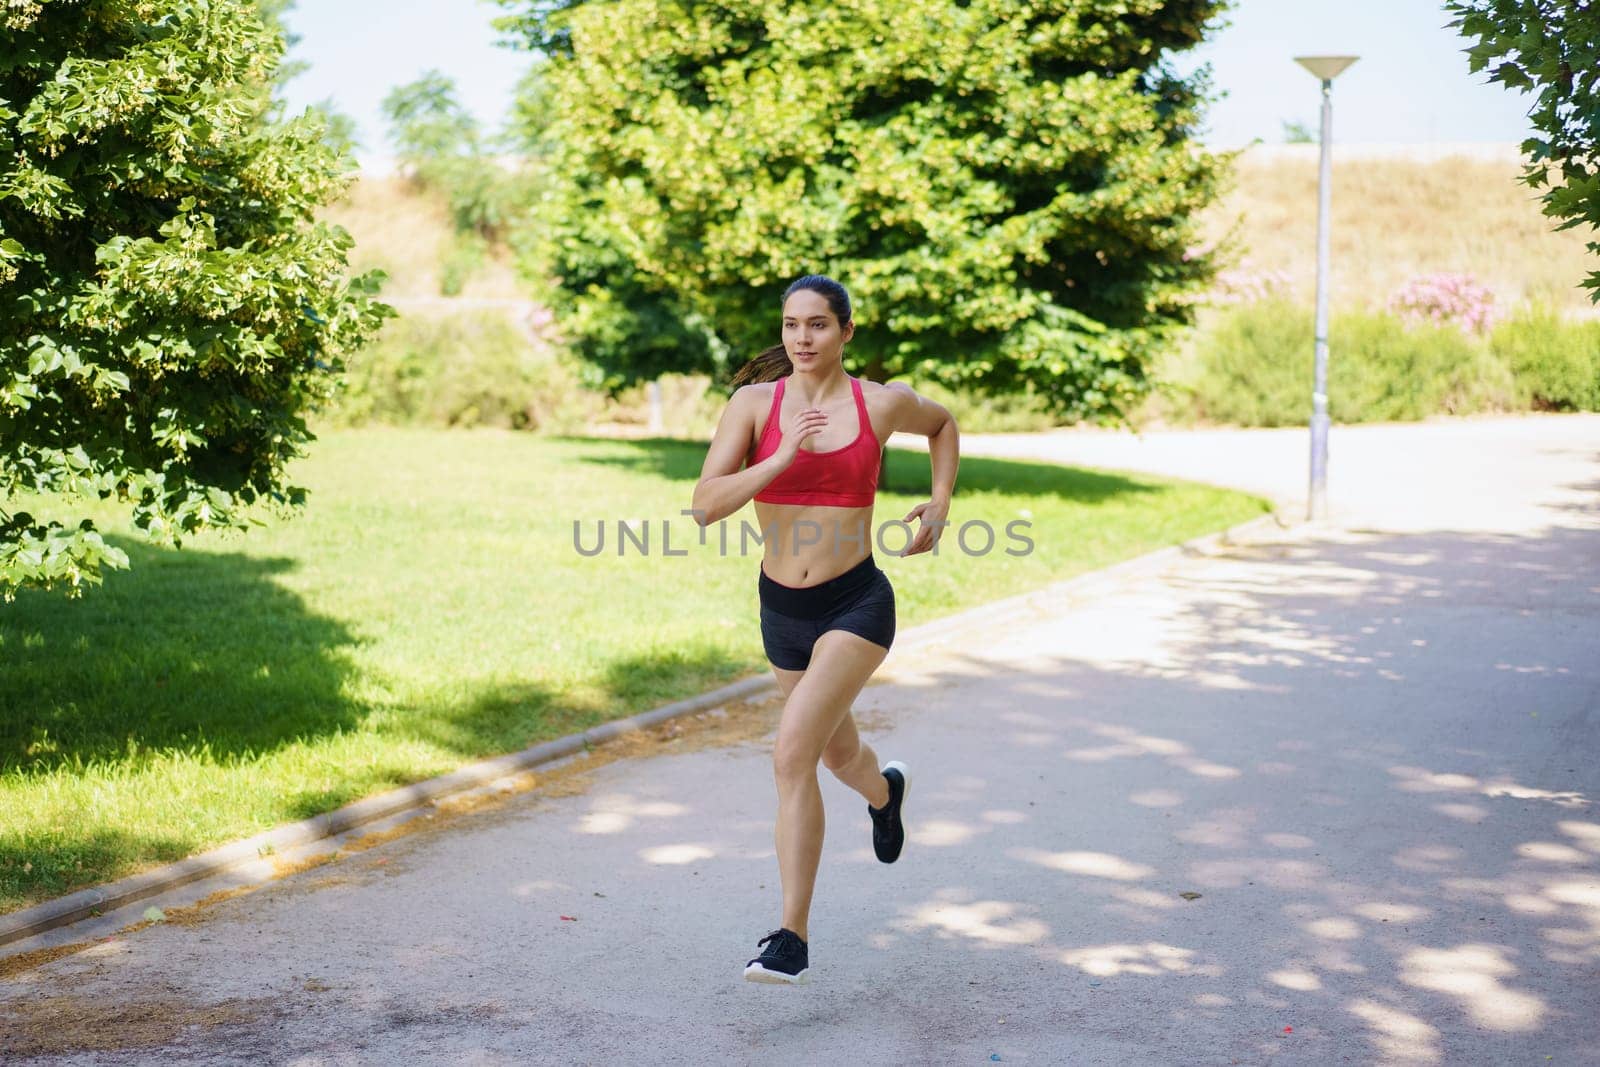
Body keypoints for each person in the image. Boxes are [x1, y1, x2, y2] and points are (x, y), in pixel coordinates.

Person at [690, 274, 960, 984]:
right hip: (782, 611)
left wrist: (939, 503)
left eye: (817, 325)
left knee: (790, 754)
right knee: (838, 754)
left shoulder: (879, 401)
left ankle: (791, 935)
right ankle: (884, 793)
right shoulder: (752, 406)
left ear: (845, 331)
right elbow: (705, 504)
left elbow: (943, 425)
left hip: (855, 604)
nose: (802, 338)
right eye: (790, 325)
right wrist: (779, 458)